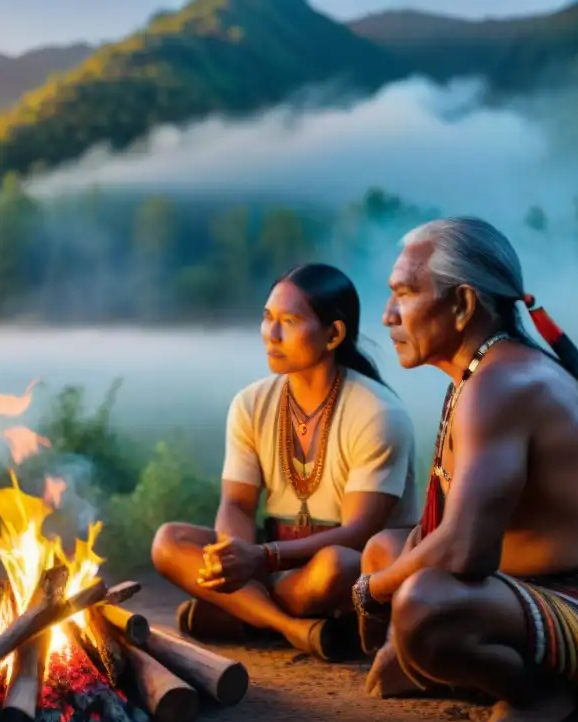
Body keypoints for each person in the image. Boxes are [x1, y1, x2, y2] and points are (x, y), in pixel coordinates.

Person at [354, 216, 578, 722]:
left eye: (405, 294)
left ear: (461, 305)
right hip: (527, 581)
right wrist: (384, 574)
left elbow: (464, 551)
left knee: (423, 604)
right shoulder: (482, 370)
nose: (389, 315)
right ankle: (440, 660)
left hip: (574, 596)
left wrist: (373, 594)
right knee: (383, 549)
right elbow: (448, 522)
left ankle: (539, 690)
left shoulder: (500, 383)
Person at [152, 263, 418, 661]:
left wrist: (259, 560)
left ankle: (242, 613)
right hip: (272, 562)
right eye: (267, 318)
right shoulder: (251, 403)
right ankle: (292, 627)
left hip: (346, 567)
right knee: (170, 542)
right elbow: (238, 504)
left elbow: (360, 532)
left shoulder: (377, 412)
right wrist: (232, 553)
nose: (271, 335)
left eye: (289, 321)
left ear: (333, 334)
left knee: (335, 567)